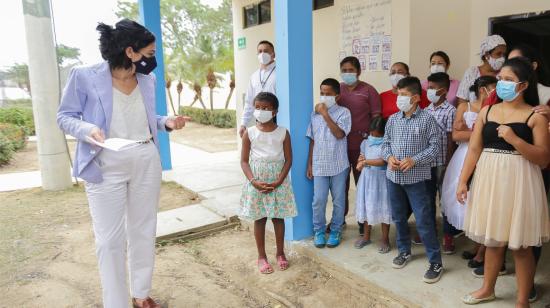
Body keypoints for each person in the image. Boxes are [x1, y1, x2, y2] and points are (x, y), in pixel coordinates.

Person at [57, 19, 188, 308]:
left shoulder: (147, 80)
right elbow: (65, 116)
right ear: (130, 51)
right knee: (109, 240)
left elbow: (144, 119)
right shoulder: (84, 76)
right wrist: (86, 129)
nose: (153, 59)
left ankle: (141, 294)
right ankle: (115, 302)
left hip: (145, 159)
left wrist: (167, 122)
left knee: (143, 229)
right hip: (105, 162)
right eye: (150, 53)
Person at [457, 57, 550, 306]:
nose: (501, 84)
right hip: (489, 178)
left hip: (521, 181)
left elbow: (543, 158)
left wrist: (515, 140)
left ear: (523, 85)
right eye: (500, 79)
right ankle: (487, 288)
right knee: (493, 239)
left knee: (521, 246)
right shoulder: (486, 111)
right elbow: (474, 149)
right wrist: (463, 181)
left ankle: (522, 300)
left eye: (508, 80)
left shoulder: (535, 116)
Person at [381, 76, 443, 284]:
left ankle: (435, 261)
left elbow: (435, 148)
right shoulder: (393, 120)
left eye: (404, 95)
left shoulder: (427, 120)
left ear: (416, 98)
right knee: (398, 217)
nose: (400, 99)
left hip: (417, 179)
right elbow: (385, 144)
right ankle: (404, 251)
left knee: (424, 220)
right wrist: (388, 157)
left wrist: (414, 160)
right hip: (393, 177)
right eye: (398, 95)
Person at [441, 76, 497, 267]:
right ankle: (476, 245)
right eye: (494, 86)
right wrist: (480, 133)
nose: (497, 90)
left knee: (484, 200)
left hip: (486, 156)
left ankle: (482, 251)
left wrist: (471, 132)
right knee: (466, 200)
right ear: (483, 89)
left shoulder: (496, 109)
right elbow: (456, 134)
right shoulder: (465, 107)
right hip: (465, 155)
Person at [240, 92, 297, 274]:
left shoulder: (283, 133)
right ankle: (261, 257)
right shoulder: (249, 133)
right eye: (258, 107)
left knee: (278, 217)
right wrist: (253, 181)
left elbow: (289, 159)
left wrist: (280, 180)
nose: (261, 111)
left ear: (275, 111)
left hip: (278, 180)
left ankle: (280, 253)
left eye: (265, 108)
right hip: (257, 180)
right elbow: (243, 161)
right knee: (260, 218)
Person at [338, 56, 381, 236]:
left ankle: (364, 221)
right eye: (344, 70)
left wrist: (373, 142)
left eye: (351, 70)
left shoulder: (369, 90)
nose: (347, 74)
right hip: (339, 145)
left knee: (362, 184)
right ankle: (339, 220)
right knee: (340, 185)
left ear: (358, 71)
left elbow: (377, 117)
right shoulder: (338, 89)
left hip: (362, 146)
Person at [307, 78, 352, 248]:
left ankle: (335, 230)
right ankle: (318, 231)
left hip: (339, 164)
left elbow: (340, 134)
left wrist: (325, 114)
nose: (324, 97)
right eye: (322, 93)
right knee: (318, 200)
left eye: (328, 94)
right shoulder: (314, 114)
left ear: (337, 96)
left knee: (339, 200)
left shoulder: (344, 112)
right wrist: (309, 163)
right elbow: (312, 139)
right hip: (319, 164)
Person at [424, 72, 456, 254]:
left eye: (432, 88)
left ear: (443, 91)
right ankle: (429, 232)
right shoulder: (425, 111)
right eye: (428, 88)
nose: (429, 91)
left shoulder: (451, 111)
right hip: (427, 162)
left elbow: (452, 139)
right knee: (427, 198)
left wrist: (448, 163)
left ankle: (448, 236)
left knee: (445, 200)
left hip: (443, 162)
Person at [354, 117, 392, 253]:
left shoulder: (387, 144)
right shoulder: (365, 143)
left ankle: (385, 238)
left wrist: (365, 162)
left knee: (384, 208)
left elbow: (383, 161)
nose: (373, 137)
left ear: (384, 134)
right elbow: (362, 156)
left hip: (381, 180)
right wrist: (360, 160)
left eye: (377, 135)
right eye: (372, 134)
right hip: (367, 179)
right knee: (367, 206)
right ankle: (366, 236)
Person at [239, 40, 276, 137]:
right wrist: (243, 124)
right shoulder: (254, 76)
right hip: (259, 120)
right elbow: (249, 102)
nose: (262, 54)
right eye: (260, 51)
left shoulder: (280, 72)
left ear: (273, 54)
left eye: (266, 51)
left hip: (276, 119)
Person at [456, 35, 506, 105]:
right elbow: (462, 101)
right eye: (498, 54)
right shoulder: (472, 72)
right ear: (487, 55)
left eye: (503, 54)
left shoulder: (504, 74)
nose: (502, 58)